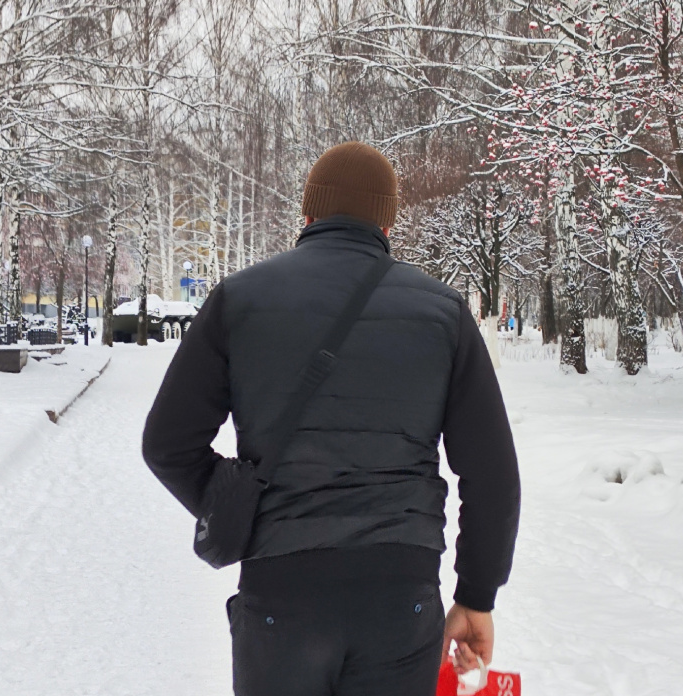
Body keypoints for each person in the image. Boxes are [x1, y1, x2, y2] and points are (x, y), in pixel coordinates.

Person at [141, 141, 522, 696]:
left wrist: (238, 504)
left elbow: (168, 443)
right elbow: (493, 476)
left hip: (282, 592)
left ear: (308, 212)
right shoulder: (444, 314)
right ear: (388, 222)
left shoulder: (239, 300)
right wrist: (477, 594)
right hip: (401, 593)